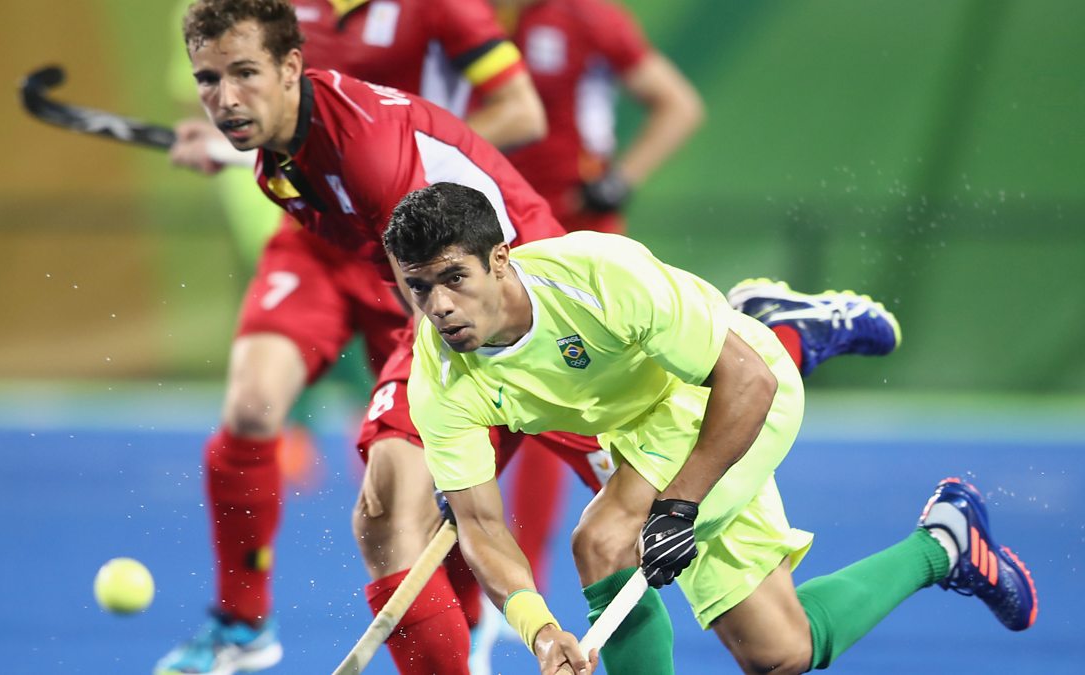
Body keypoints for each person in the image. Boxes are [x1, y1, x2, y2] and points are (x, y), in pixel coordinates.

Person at [386, 182, 1038, 675]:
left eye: (454, 278)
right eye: (420, 286)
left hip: (735, 393)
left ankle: (776, 328)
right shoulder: (437, 376)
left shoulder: (596, 276)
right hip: (641, 434)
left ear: (499, 259)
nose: (439, 305)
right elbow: (480, 526)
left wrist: (679, 504)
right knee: (780, 651)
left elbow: (748, 381)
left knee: (604, 540)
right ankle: (944, 542)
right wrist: (539, 629)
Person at [157, 2, 602, 674]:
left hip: (513, 303)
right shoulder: (278, 163)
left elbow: (449, 295)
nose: (224, 97)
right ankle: (252, 621)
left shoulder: (367, 144)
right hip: (415, 286)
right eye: (209, 81)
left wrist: (453, 433)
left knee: (657, 510)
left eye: (244, 74)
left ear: (291, 68)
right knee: (392, 507)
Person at [487, 0, 705, 604]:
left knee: (595, 393)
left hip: (583, 238)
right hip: (497, 234)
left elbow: (678, 103)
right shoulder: (462, 14)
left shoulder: (586, 15)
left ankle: (646, 520)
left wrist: (622, 175)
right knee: (505, 397)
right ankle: (513, 587)